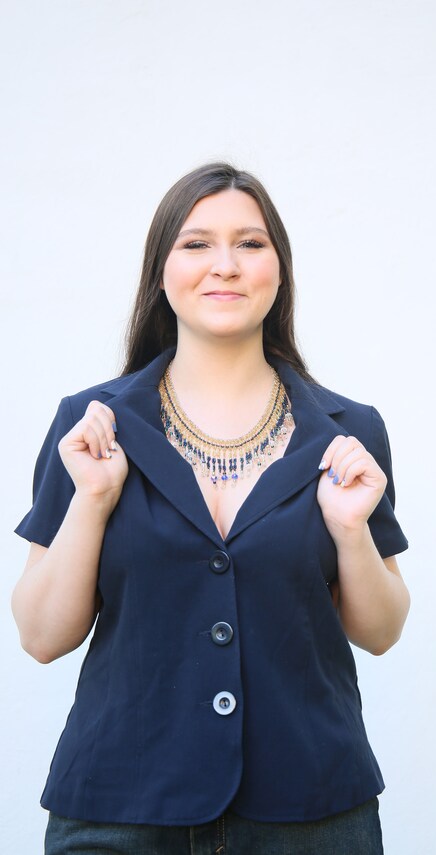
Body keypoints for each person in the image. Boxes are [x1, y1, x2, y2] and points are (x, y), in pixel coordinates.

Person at [12, 162, 410, 855]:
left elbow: (379, 631)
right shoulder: (90, 424)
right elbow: (42, 635)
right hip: (120, 809)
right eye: (196, 244)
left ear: (278, 270)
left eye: (250, 244)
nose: (224, 265)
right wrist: (93, 499)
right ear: (160, 270)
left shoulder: (350, 431)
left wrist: (351, 532)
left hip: (312, 811)